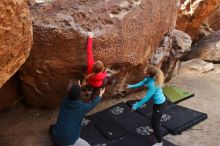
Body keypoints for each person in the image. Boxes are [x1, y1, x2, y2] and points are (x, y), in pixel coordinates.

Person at [50, 81, 106, 146]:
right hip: (67, 140)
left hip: (55, 134)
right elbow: (93, 104)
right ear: (79, 96)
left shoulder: (64, 100)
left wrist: (79, 87)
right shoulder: (82, 107)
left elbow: (71, 93)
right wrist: (100, 95)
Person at [127, 65, 166, 146]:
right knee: (155, 121)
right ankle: (157, 126)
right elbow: (143, 82)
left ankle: (160, 142)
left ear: (148, 73)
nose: (144, 69)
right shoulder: (149, 78)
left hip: (160, 104)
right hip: (157, 103)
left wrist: (136, 105)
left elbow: (146, 98)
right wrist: (132, 86)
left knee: (154, 124)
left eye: (146, 70)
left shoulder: (153, 84)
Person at [82, 32, 108, 99]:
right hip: (97, 85)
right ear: (101, 69)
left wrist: (90, 38)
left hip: (90, 82)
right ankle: (91, 99)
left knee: (93, 86)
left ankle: (89, 90)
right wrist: (105, 71)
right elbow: (105, 74)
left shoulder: (90, 65)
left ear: (94, 64)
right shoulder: (102, 75)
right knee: (106, 80)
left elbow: (89, 52)